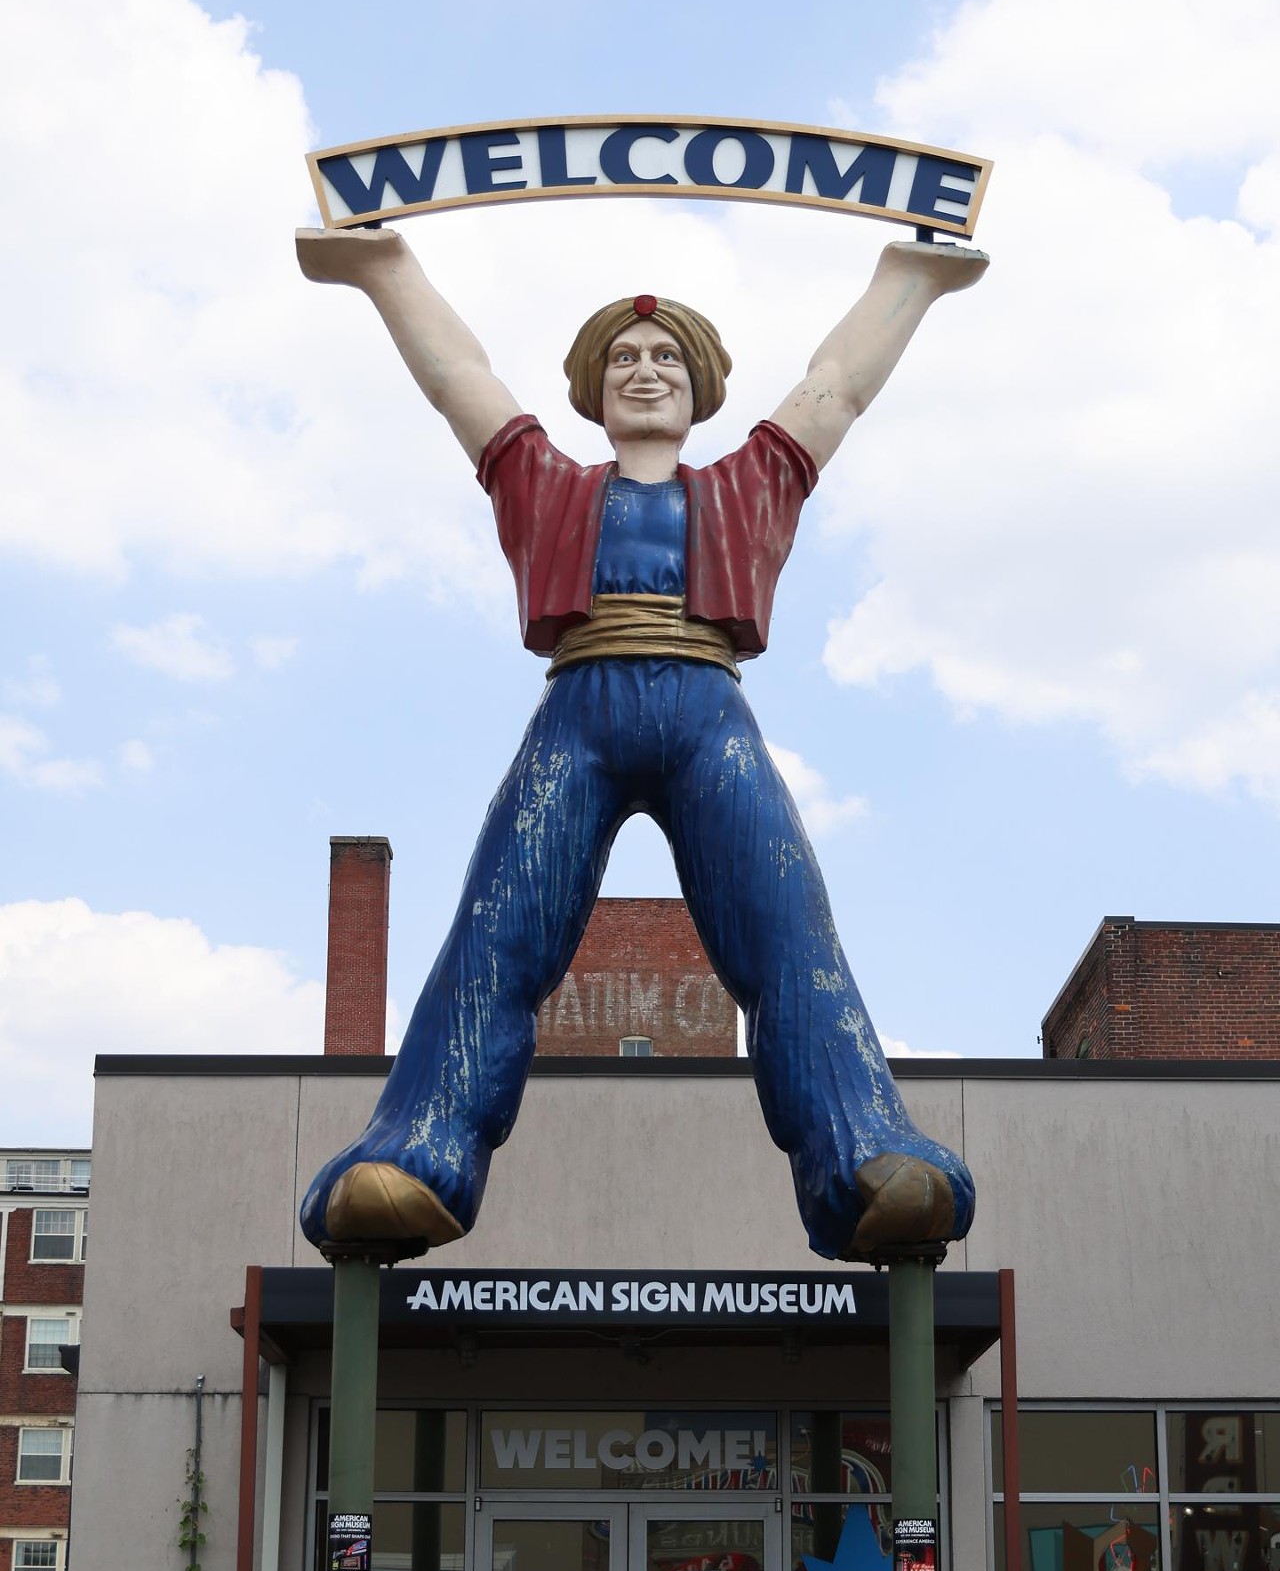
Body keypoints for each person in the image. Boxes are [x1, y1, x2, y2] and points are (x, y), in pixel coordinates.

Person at [294, 222, 987, 1263]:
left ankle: (863, 1154)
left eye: (664, 358)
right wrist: (385, 272)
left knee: (786, 928)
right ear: (591, 385)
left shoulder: (749, 482)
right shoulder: (545, 482)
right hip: (578, 711)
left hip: (710, 712)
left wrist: (909, 280)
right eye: (623, 358)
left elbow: (834, 387)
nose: (645, 371)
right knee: (498, 927)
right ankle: (418, 1150)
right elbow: (459, 382)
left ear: (700, 383)